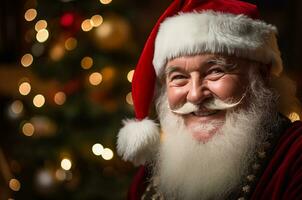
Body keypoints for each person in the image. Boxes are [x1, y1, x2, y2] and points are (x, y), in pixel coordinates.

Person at [117, 0, 302, 199]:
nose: (195, 95)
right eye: (179, 77)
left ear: (261, 74)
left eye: (215, 71)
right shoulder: (148, 176)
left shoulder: (295, 156)